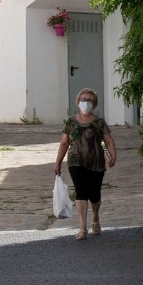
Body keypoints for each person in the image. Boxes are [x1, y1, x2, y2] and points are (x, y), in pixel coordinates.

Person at [53, 88, 116, 240]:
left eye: (89, 100)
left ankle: (95, 218)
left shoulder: (99, 122)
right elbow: (64, 143)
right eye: (83, 99)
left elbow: (108, 140)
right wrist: (58, 163)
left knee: (94, 194)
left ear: (94, 104)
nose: (85, 102)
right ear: (78, 101)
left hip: (96, 162)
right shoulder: (71, 122)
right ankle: (82, 228)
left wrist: (113, 156)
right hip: (76, 162)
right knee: (80, 191)